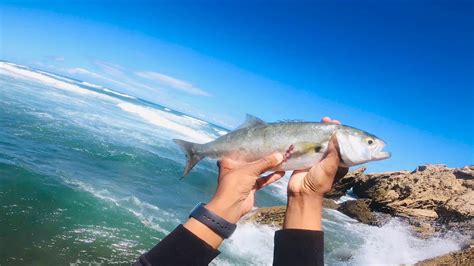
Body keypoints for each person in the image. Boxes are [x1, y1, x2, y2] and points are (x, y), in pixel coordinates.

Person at [133, 117, 348, 266]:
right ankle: (195, 152)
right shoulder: (324, 141)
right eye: (369, 142)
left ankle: (197, 153)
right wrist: (305, 197)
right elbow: (305, 150)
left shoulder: (322, 143)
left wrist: (224, 208)